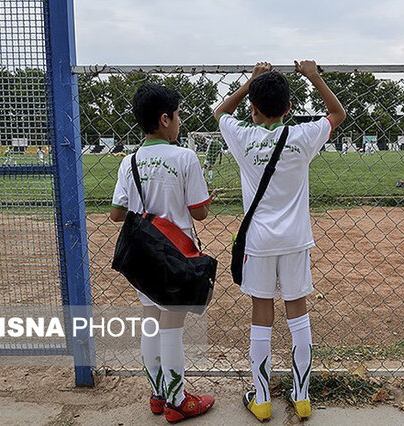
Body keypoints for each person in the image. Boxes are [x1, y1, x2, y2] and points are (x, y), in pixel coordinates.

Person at [214, 60, 346, 422]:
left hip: (258, 241)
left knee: (261, 314)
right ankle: (301, 397)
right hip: (295, 239)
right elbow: (338, 112)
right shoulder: (302, 136)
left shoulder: (242, 135)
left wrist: (250, 82)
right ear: (289, 109)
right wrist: (313, 76)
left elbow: (220, 112)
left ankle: (261, 398)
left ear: (253, 110)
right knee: (297, 312)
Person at [109, 84, 215, 423]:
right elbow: (199, 213)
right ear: (165, 118)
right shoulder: (185, 157)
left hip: (143, 253)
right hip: (175, 255)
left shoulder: (131, 160)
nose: (180, 121)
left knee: (151, 323)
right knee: (172, 326)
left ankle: (157, 395)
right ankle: (178, 400)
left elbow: (116, 213)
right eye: (178, 114)